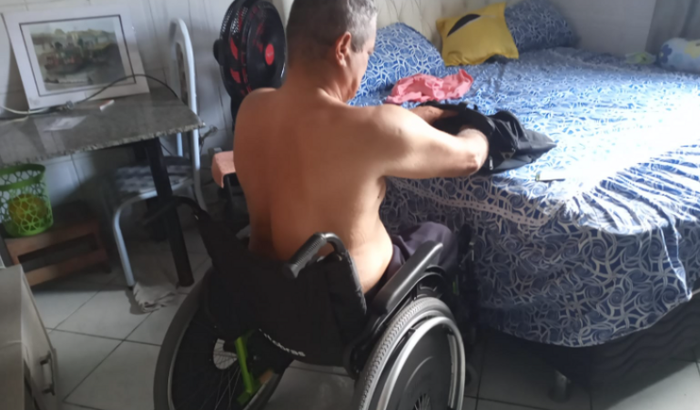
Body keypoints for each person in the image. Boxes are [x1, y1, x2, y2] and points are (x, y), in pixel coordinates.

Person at [234, 0, 489, 295]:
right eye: (368, 53)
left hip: (267, 291)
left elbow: (330, 131)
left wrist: (407, 120)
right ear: (343, 48)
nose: (367, 64)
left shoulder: (251, 108)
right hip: (345, 304)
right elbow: (471, 158)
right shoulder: (375, 128)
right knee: (439, 236)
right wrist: (479, 129)